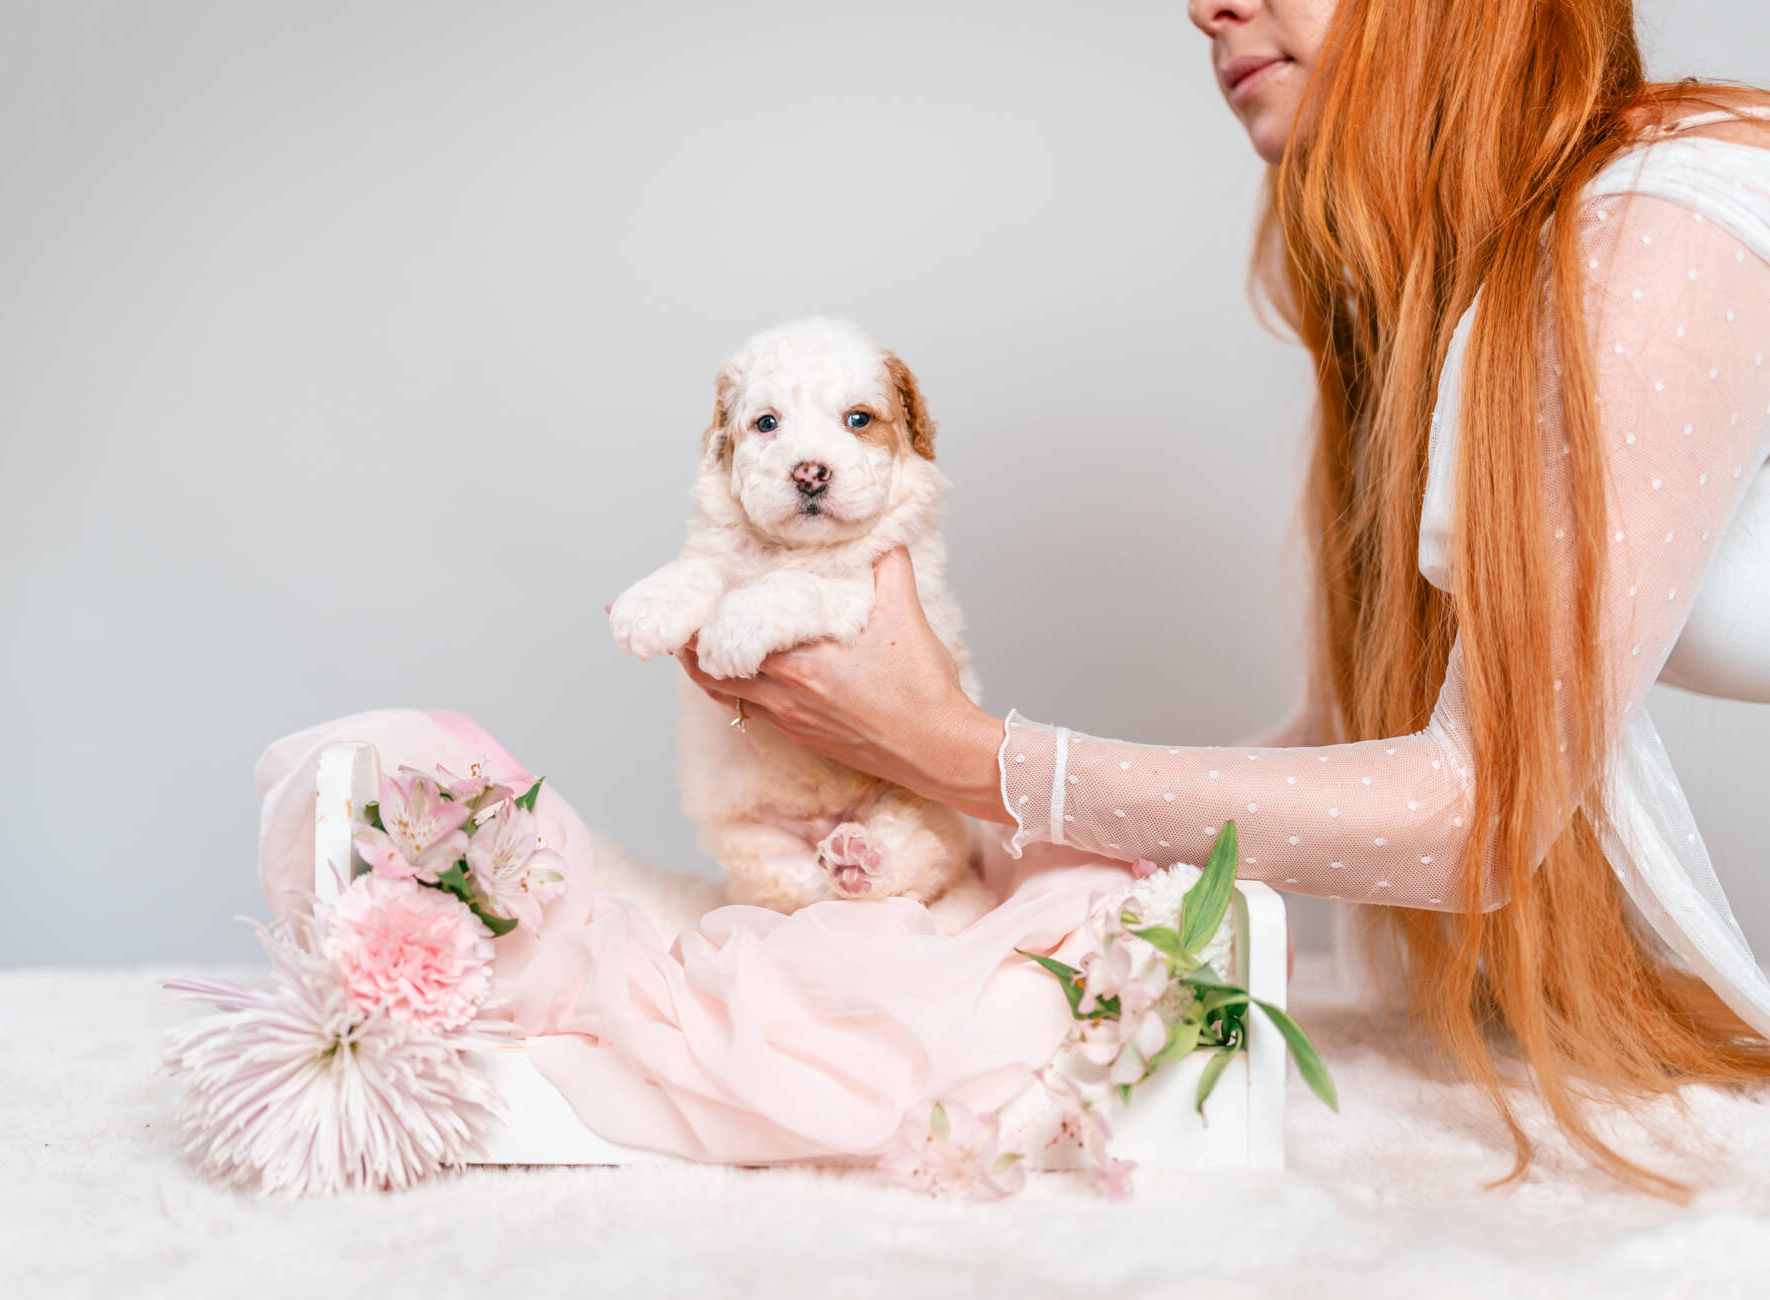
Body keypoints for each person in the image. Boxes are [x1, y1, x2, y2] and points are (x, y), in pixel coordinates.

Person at [673, 0, 1770, 1195]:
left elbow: (1481, 808)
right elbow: (1350, 742)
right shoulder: (1475, 286)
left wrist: (973, 758)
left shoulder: (1664, 226)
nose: (1204, 8)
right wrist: (988, 842)